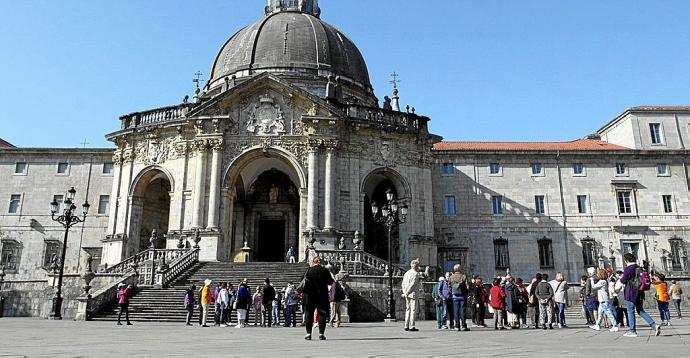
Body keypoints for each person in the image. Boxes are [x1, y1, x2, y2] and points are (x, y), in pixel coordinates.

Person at [620, 253, 659, 338]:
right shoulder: (639, 268)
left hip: (631, 292)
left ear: (626, 260)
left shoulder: (628, 269)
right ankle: (654, 325)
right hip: (640, 292)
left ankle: (632, 331)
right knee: (640, 310)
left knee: (630, 311)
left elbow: (623, 280)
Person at [302, 256, 334, 340]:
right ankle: (321, 334)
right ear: (320, 262)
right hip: (321, 296)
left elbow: (302, 281)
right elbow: (330, 282)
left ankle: (308, 333)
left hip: (309, 296)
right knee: (322, 314)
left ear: (313, 262)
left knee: (308, 314)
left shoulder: (308, 270)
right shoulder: (324, 271)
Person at [401, 258, 424, 332]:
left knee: (407, 309)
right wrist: (407, 292)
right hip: (412, 293)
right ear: (416, 266)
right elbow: (412, 285)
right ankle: (412, 326)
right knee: (413, 310)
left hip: (406, 293)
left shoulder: (406, 273)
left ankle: (406, 325)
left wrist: (405, 292)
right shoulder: (415, 274)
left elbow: (403, 284)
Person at [448, 264, 470, 332]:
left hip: (455, 297)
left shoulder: (451, 277)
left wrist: (452, 292)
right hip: (463, 296)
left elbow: (449, 287)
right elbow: (467, 287)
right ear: (460, 269)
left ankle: (457, 326)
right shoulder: (463, 276)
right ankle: (463, 325)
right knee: (462, 311)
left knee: (456, 311)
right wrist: (467, 293)